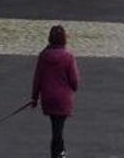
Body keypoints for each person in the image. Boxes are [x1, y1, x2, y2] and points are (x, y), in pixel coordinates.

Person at [30, 25, 80, 158]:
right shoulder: (68, 57)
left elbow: (37, 78)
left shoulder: (43, 56)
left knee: (56, 127)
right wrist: (73, 87)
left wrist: (34, 98)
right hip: (63, 98)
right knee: (58, 130)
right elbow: (74, 81)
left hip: (48, 98)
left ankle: (60, 152)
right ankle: (58, 153)